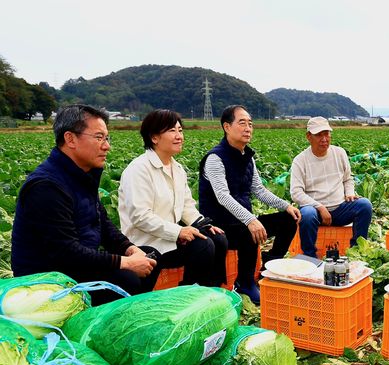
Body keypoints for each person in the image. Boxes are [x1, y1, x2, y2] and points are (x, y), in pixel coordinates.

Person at [11, 104, 159, 305]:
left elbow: (103, 224)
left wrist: (129, 249)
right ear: (70, 139)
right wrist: (124, 263)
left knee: (149, 257)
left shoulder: (82, 175)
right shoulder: (46, 186)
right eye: (99, 137)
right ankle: (103, 328)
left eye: (107, 138)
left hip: (75, 266)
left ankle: (123, 316)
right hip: (47, 280)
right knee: (127, 277)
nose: (107, 146)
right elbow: (66, 252)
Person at [199, 105, 301, 304]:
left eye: (250, 124)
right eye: (242, 123)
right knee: (248, 232)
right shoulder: (215, 158)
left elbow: (259, 190)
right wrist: (250, 219)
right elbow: (222, 196)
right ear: (227, 127)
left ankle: (269, 266)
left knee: (288, 220)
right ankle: (244, 283)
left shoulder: (248, 158)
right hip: (220, 226)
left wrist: (286, 206)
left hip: (243, 222)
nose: (248, 128)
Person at [118, 109, 228, 288]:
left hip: (172, 239)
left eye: (180, 130)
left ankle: (211, 290)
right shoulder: (139, 169)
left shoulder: (177, 168)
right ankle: (188, 293)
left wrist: (203, 224)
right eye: (172, 131)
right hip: (147, 243)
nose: (179, 136)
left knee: (218, 238)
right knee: (203, 246)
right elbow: (140, 216)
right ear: (154, 138)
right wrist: (178, 232)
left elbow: (186, 206)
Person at [290, 117, 372, 258]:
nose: (324, 139)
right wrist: (320, 207)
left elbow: (348, 179)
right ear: (308, 136)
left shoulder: (339, 153)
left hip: (340, 209)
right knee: (307, 215)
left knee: (365, 205)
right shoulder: (300, 160)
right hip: (315, 212)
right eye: (319, 135)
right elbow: (296, 193)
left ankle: (357, 252)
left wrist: (350, 192)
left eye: (326, 134)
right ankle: (310, 257)